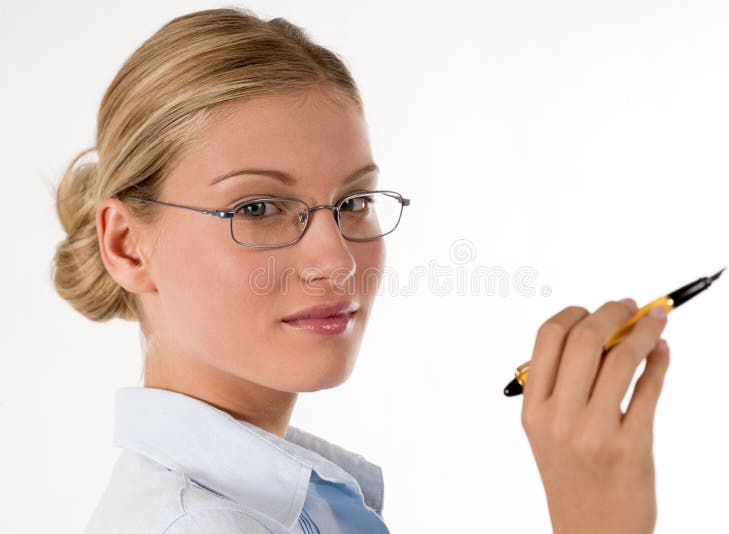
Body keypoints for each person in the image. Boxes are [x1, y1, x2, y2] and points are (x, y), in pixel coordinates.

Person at [51, 7, 671, 534]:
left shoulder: (291, 506)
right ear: (128, 245)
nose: (336, 259)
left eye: (353, 203)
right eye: (259, 208)